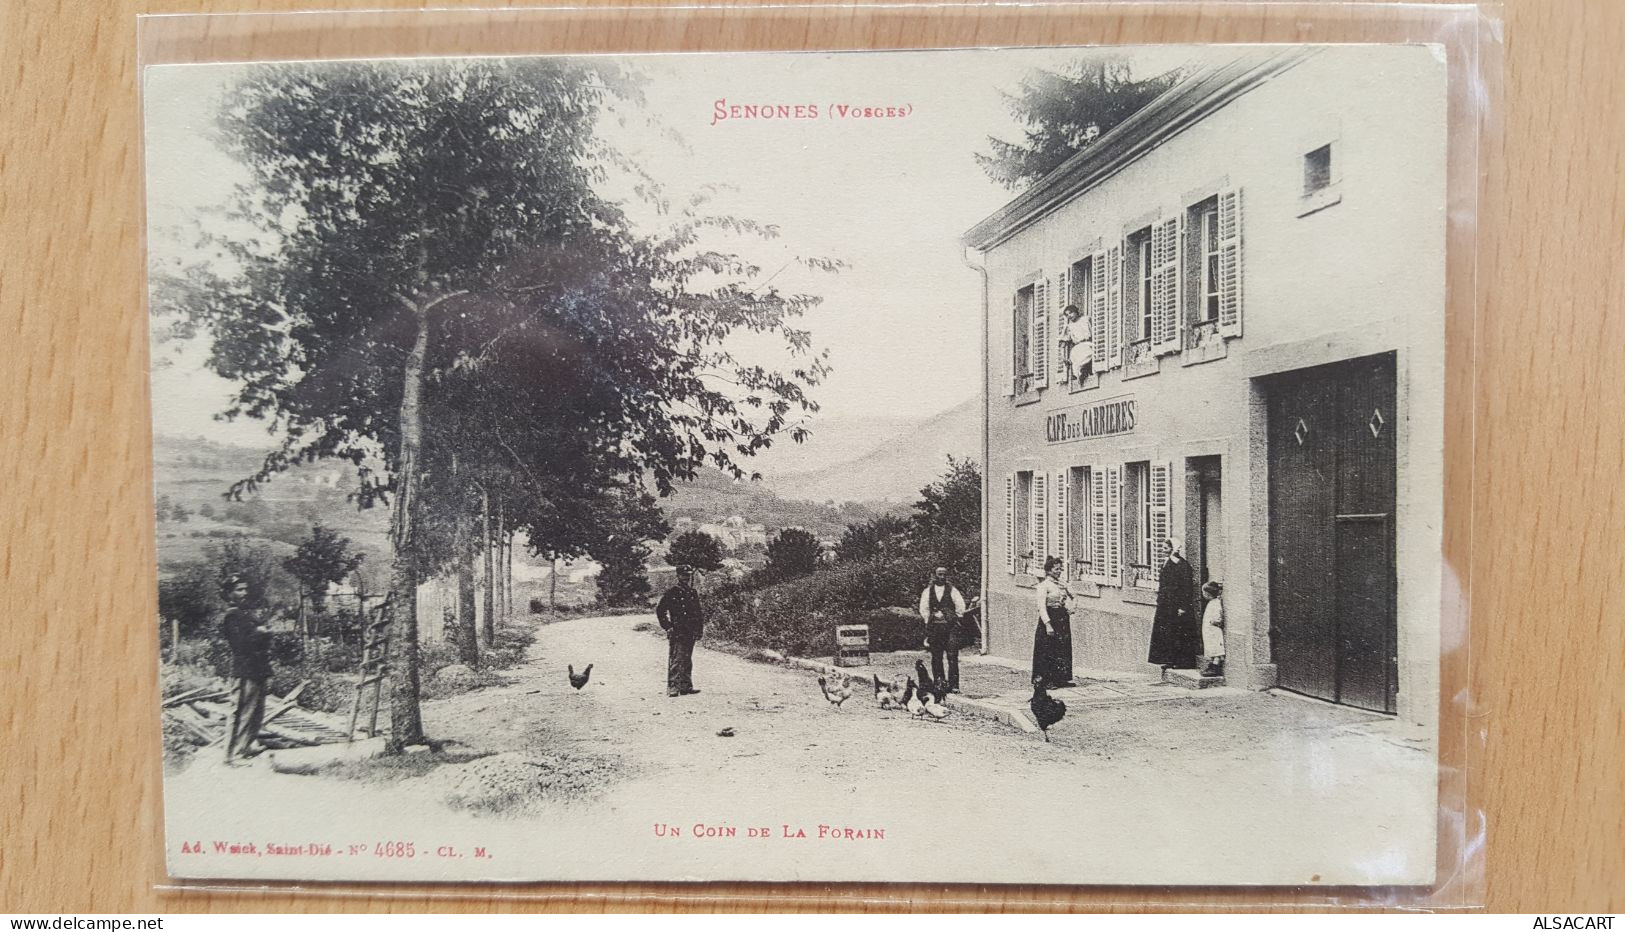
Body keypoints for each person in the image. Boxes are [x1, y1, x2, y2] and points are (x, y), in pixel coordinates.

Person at [221, 574, 271, 764]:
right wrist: (259, 633)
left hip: (257, 668)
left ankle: (245, 747)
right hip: (244, 670)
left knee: (255, 712)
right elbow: (239, 645)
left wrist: (263, 634)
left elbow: (263, 643)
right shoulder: (232, 616)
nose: (244, 593)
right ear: (229, 594)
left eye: (245, 589)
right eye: (239, 590)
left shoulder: (246, 614)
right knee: (239, 712)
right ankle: (230, 754)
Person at [1147, 539, 1200, 670]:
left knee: (1179, 633)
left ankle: (1182, 661)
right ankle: (1169, 659)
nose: (1162, 551)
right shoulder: (1166, 563)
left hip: (1177, 606)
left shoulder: (1182, 565)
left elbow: (1186, 588)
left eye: (1165, 548)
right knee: (1167, 633)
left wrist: (1183, 606)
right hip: (1166, 605)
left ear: (1173, 549)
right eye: (1163, 548)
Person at [917, 566, 968, 692]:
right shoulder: (928, 591)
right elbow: (924, 608)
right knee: (936, 656)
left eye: (944, 574)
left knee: (952, 656)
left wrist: (952, 617)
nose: (942, 577)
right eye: (939, 574)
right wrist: (929, 620)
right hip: (935, 628)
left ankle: (954, 685)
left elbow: (960, 606)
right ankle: (939, 683)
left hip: (950, 628)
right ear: (934, 576)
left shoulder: (952, 590)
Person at [656, 565, 705, 697]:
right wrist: (668, 626)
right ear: (678, 576)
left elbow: (698, 613)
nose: (686, 578)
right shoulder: (672, 592)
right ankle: (673, 687)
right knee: (677, 659)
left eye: (688, 575)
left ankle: (685, 686)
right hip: (677, 630)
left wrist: (699, 629)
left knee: (687, 659)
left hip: (690, 630)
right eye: (683, 575)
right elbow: (660, 610)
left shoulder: (692, 592)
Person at [1033, 556, 1077, 688]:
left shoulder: (1063, 584)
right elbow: (1041, 607)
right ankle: (1046, 680)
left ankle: (1061, 678)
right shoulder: (1043, 586)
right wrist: (1048, 624)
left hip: (1062, 617)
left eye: (1060, 569)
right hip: (1050, 617)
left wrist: (1073, 607)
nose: (1059, 571)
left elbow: (1074, 596)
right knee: (1048, 649)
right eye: (1056, 569)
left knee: (1062, 647)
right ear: (1049, 570)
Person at [1060, 303, 1094, 385]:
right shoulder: (1069, 327)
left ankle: (1085, 371)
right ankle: (1080, 374)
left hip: (1088, 344)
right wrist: (1063, 357)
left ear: (1076, 312)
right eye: (1067, 315)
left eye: (1071, 313)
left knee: (1087, 355)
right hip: (1078, 347)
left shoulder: (1086, 319)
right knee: (1077, 357)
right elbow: (1063, 343)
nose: (1069, 316)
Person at [1200, 580, 1226, 677]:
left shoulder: (1215, 603)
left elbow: (1218, 616)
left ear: (1208, 594)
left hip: (1214, 630)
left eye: (1204, 592)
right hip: (1209, 631)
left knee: (1216, 648)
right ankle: (1212, 665)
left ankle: (1215, 667)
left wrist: (1214, 622)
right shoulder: (1212, 602)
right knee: (1211, 647)